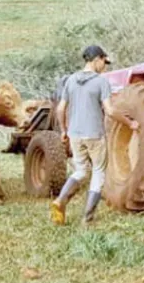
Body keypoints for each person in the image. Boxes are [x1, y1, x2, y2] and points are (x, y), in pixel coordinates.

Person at [50, 45, 138, 226]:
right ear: (97, 59)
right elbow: (111, 111)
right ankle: (87, 218)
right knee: (98, 172)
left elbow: (60, 108)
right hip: (94, 135)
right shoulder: (101, 82)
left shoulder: (71, 80)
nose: (104, 66)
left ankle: (60, 200)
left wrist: (64, 130)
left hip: (75, 134)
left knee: (81, 171)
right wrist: (130, 123)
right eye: (104, 62)